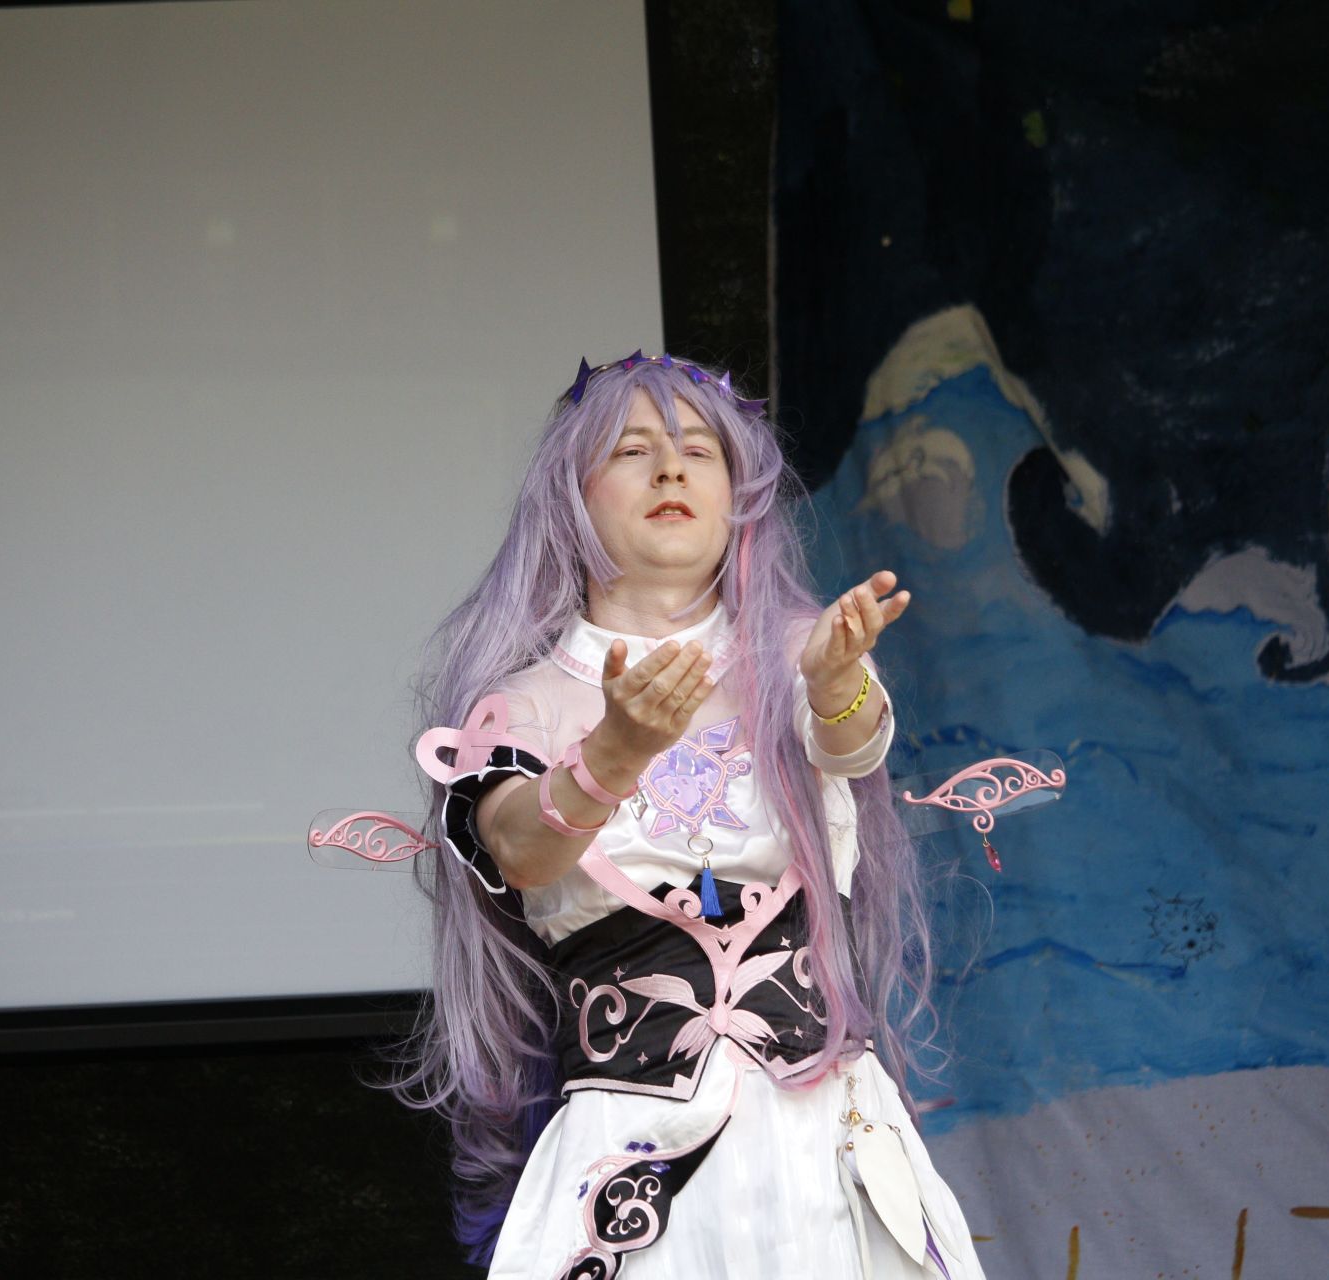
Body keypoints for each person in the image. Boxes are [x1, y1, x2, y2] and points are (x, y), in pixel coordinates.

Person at [399, 352, 985, 1278]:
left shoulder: (800, 655)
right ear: (571, 498)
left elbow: (853, 748)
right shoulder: (523, 704)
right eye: (633, 450)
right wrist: (612, 754)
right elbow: (518, 851)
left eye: (699, 451)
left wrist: (834, 680)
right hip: (631, 1152)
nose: (671, 468)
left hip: (825, 1136)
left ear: (738, 498)